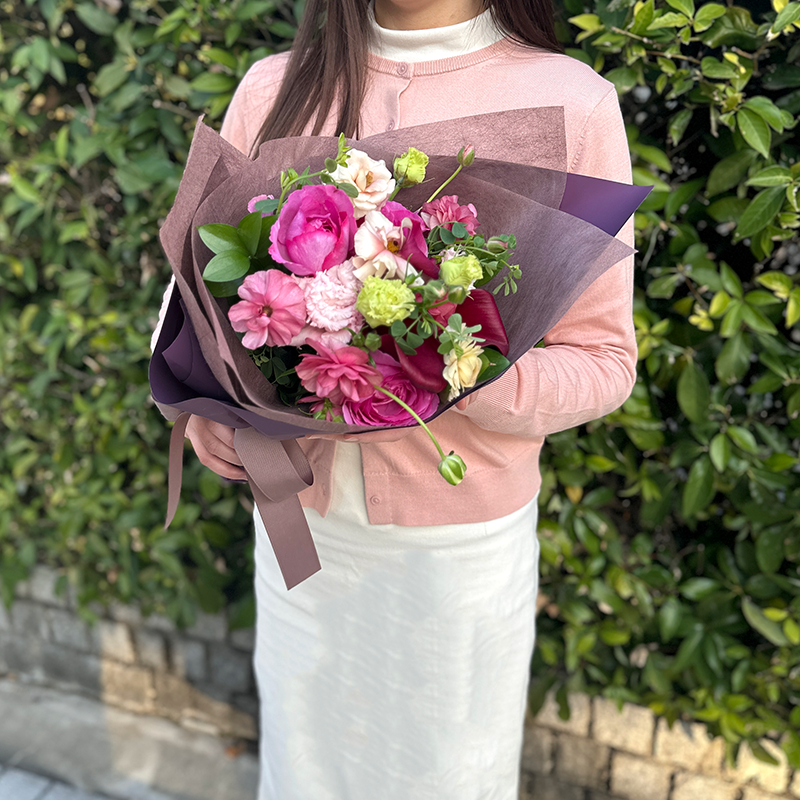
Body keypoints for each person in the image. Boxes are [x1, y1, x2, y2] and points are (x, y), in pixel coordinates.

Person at [151, 0, 636, 797]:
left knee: (444, 775)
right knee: (306, 772)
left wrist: (455, 368)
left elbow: (604, 361)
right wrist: (204, 411)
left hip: (455, 564)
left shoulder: (571, 104)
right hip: (299, 542)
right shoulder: (274, 87)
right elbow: (194, 300)